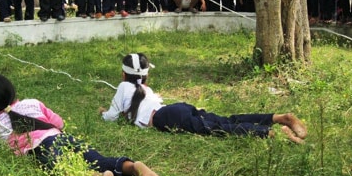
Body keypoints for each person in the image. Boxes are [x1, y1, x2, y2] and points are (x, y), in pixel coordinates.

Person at [0, 74, 170, 176]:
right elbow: (60, 123)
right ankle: (134, 167)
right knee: (99, 160)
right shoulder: (32, 103)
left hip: (41, 148)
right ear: (13, 91)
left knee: (62, 172)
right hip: (63, 138)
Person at [101, 53, 307, 144]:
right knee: (226, 120)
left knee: (219, 129)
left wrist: (103, 113)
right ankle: (279, 117)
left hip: (168, 118)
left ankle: (273, 133)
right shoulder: (145, 89)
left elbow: (111, 116)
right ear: (146, 75)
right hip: (176, 109)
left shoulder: (124, 87)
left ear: (123, 74)